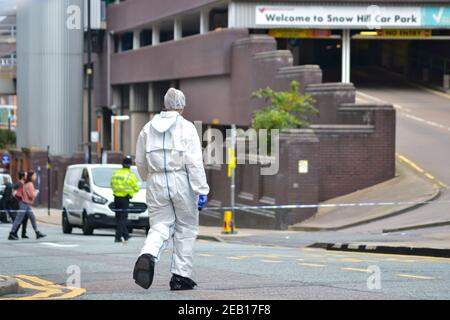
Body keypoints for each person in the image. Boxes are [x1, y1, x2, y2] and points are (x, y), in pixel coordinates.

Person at [133, 88, 209, 291]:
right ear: (182, 106)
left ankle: (148, 254)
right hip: (181, 181)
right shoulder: (187, 128)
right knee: (186, 228)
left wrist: (148, 178)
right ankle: (180, 276)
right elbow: (194, 162)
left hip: (156, 181)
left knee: (159, 225)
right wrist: (201, 189)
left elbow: (140, 161)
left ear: (165, 104)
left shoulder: (147, 129)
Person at [8, 171, 46, 240]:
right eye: (34, 175)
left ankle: (37, 232)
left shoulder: (26, 184)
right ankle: (12, 233)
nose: (35, 177)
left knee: (32, 217)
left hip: (25, 204)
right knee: (18, 219)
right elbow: (32, 196)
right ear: (31, 176)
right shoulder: (30, 184)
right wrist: (36, 192)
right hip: (24, 204)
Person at [110, 156, 140, 244]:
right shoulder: (130, 175)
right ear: (130, 165)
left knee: (118, 217)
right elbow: (136, 188)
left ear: (122, 164)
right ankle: (118, 237)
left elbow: (111, 184)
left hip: (116, 198)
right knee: (122, 218)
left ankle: (125, 235)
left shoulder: (116, 173)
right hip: (125, 199)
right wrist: (130, 193)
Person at [1, 172, 29, 238]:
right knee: (19, 219)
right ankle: (13, 233)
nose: (27, 177)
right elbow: (14, 193)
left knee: (25, 217)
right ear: (23, 177)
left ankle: (22, 233)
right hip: (16, 204)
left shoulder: (23, 184)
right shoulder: (18, 184)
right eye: (26, 175)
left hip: (22, 204)